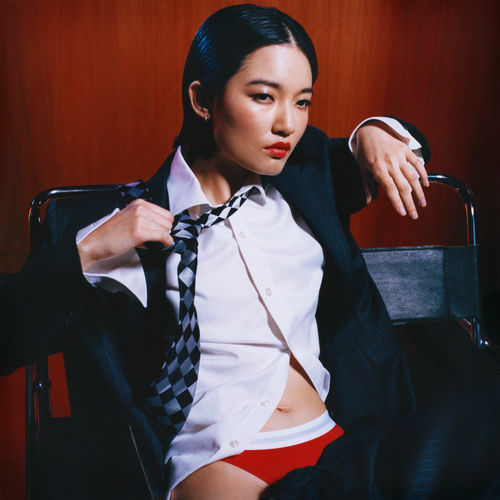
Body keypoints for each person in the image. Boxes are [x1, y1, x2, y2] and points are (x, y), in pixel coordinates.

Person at [1, 4, 498, 500]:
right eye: (263, 96)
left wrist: (376, 131)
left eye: (302, 102)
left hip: (342, 446)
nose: (287, 124)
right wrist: (87, 253)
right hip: (224, 461)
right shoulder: (128, 223)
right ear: (203, 100)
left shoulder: (308, 181)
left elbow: (392, 150)